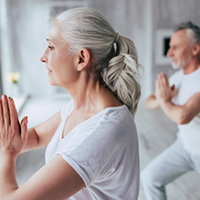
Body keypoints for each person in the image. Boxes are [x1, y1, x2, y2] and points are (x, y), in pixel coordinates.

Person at [0, 7, 142, 200]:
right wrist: (7, 137)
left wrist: (7, 153)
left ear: (81, 58)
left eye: (51, 47)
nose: (43, 57)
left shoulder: (101, 132)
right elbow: (36, 136)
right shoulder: (79, 107)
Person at [141, 21, 200, 200]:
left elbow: (182, 116)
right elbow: (149, 102)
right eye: (169, 47)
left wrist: (165, 99)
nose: (169, 53)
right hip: (184, 147)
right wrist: (161, 97)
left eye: (175, 47)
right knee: (150, 178)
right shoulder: (178, 77)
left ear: (195, 49)